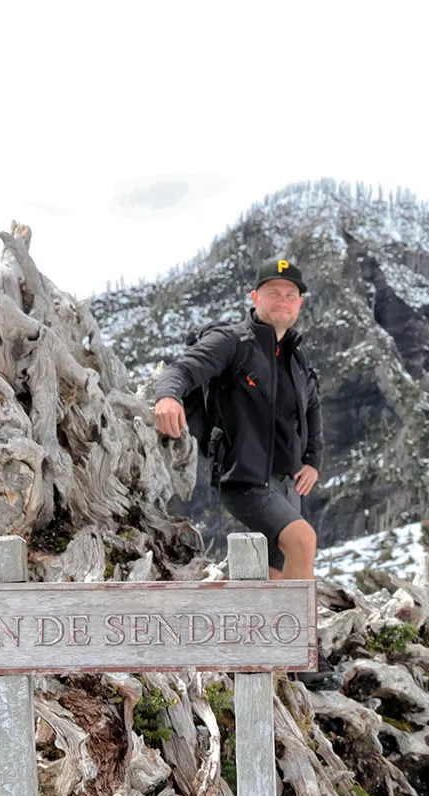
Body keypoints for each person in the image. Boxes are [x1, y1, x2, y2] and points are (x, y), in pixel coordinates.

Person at [153, 258, 337, 689]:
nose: (283, 300)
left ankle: (251, 656)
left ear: (300, 304)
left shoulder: (295, 353)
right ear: (255, 298)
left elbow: (312, 410)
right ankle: (300, 653)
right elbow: (183, 369)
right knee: (303, 540)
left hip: (287, 483)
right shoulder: (232, 341)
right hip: (244, 478)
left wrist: (313, 461)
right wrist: (168, 398)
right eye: (273, 292)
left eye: (291, 295)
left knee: (274, 576)